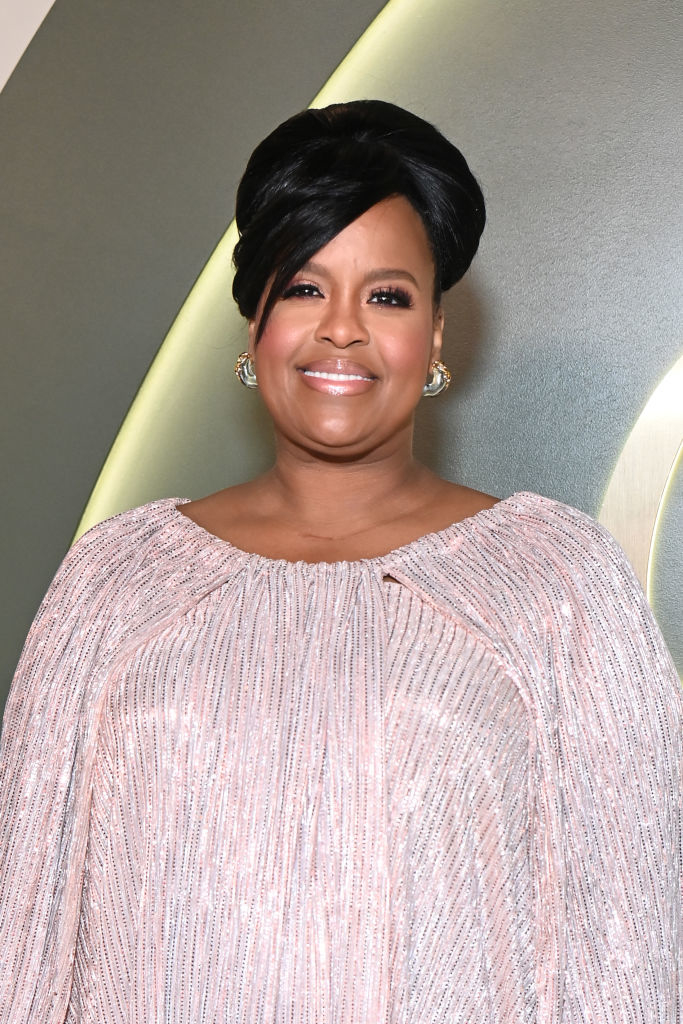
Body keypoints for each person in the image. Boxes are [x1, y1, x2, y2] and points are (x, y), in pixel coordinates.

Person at [0, 100, 680, 1023]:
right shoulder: (115, 581)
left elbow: (632, 947)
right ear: (254, 328)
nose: (342, 330)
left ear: (435, 336)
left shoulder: (555, 584)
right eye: (305, 288)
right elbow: (23, 932)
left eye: (387, 295)